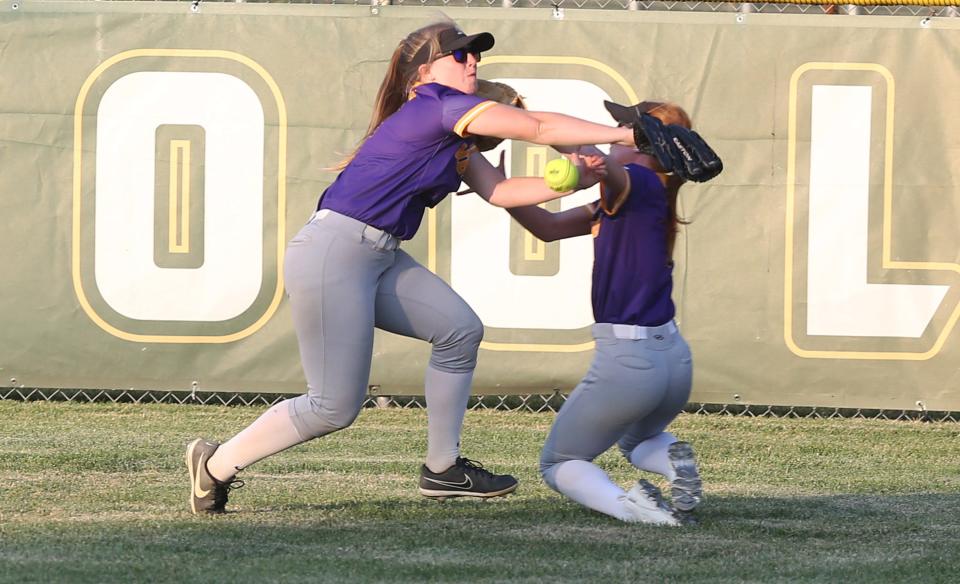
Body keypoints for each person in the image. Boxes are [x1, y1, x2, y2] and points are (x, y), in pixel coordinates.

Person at [185, 19, 636, 514]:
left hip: (376, 255)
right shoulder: (436, 106)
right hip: (334, 252)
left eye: (475, 55)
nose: (472, 61)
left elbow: (503, 192)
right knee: (333, 406)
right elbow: (540, 128)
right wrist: (628, 132)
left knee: (459, 330)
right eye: (460, 54)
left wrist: (574, 179)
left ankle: (443, 469)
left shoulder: (450, 135)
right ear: (423, 73)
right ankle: (215, 464)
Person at [494, 101, 705, 525]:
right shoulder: (646, 197)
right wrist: (504, 190)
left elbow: (607, 167)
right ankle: (674, 462)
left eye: (623, 129)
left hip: (628, 362)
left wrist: (545, 130)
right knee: (637, 440)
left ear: (645, 143)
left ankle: (640, 512)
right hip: (673, 359)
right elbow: (548, 228)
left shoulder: (638, 182)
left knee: (560, 461)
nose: (614, 133)